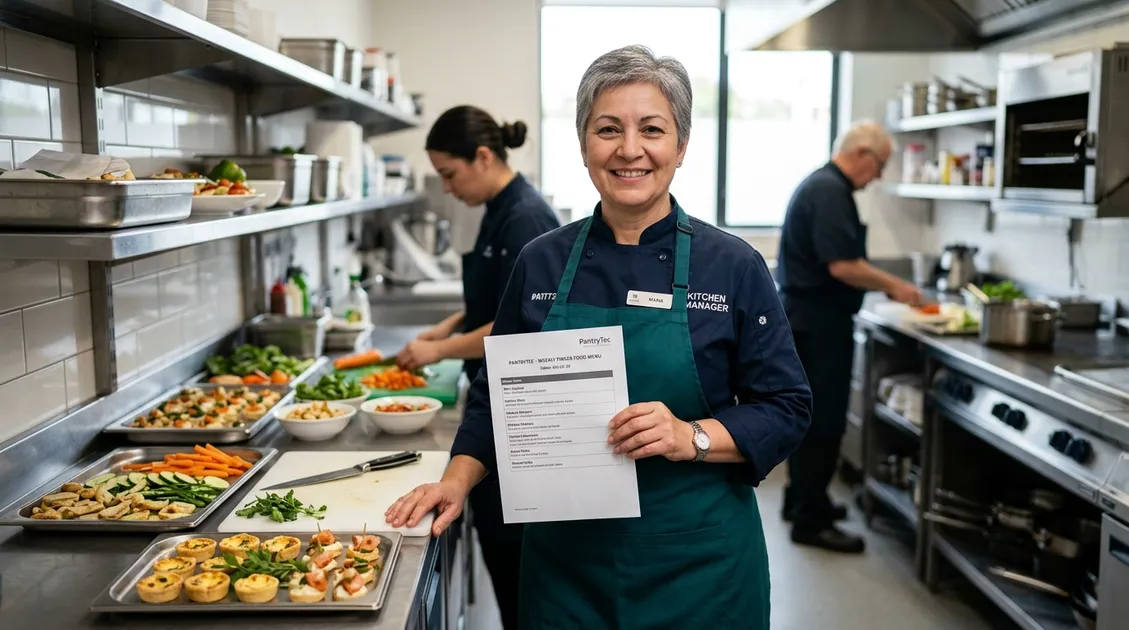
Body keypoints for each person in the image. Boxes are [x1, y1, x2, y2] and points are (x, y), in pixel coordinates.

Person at [386, 45, 812, 629]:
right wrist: (456, 480)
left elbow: (787, 407)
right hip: (567, 569)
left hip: (700, 566)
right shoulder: (541, 263)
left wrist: (691, 436)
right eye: (608, 129)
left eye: (652, 130)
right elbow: (495, 399)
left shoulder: (733, 266)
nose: (629, 149)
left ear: (681, 147)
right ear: (585, 145)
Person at [394, 104, 560, 630]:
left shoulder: (526, 216)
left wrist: (439, 352)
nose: (446, 187)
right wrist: (450, 324)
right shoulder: (499, 208)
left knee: (516, 561)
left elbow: (524, 327)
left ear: (483, 157)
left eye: (450, 173)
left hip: (519, 410)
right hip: (497, 401)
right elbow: (501, 298)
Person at [776, 120, 923, 554]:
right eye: (879, 165)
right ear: (861, 154)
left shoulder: (824, 186)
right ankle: (810, 521)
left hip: (809, 320)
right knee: (822, 422)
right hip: (818, 324)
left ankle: (803, 500)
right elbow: (842, 265)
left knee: (809, 419)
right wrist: (894, 285)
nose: (878, 176)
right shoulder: (828, 191)